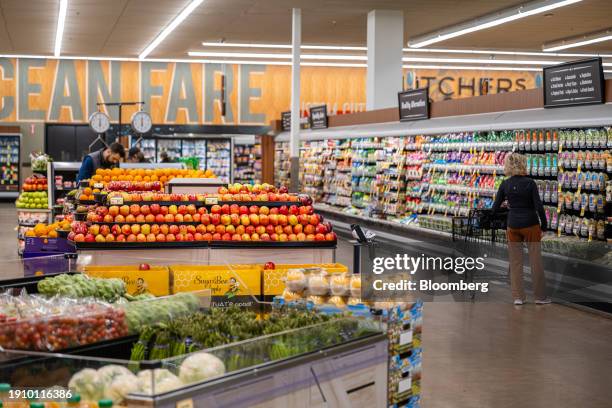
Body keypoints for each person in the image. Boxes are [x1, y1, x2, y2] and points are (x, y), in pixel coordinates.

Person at [492, 153, 551, 306]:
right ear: (523, 164)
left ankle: (518, 297)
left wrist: (507, 209)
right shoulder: (530, 183)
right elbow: (538, 206)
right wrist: (544, 226)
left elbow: (494, 208)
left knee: (515, 262)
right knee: (535, 260)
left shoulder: (505, 184)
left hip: (512, 226)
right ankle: (540, 297)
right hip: (530, 224)